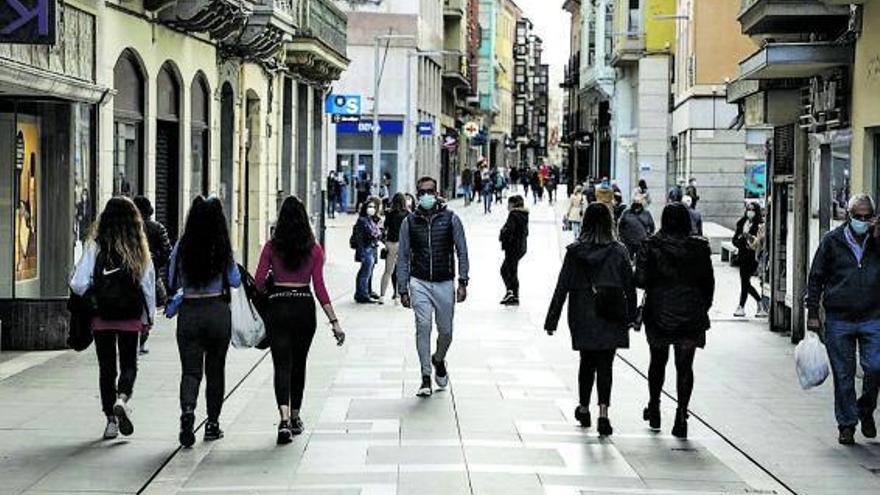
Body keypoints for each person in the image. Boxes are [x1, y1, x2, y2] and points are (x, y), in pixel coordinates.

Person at [255, 196, 345, 444]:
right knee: (299, 364)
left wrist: (272, 285)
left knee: (281, 364)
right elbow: (320, 288)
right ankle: (296, 417)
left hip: (278, 307)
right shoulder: (314, 249)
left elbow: (259, 283)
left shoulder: (271, 247)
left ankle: (283, 420)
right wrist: (334, 322)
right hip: (304, 307)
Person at [545, 203, 636, 436]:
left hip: (583, 310)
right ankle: (603, 413)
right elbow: (630, 286)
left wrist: (552, 319)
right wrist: (633, 316)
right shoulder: (619, 251)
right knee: (606, 364)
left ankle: (584, 408)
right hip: (612, 311)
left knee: (586, 361)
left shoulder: (575, 252)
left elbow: (562, 285)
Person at [70, 197, 157, 440]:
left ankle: (110, 420)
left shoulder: (96, 245)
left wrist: (93, 297)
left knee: (106, 368)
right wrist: (149, 316)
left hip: (102, 316)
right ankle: (122, 398)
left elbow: (78, 283)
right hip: (130, 316)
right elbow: (147, 286)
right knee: (129, 364)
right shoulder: (138, 248)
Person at [806, 194, 880, 445]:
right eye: (857, 216)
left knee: (875, 367)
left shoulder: (877, 241)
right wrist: (813, 312)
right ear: (847, 215)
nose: (862, 221)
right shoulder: (832, 241)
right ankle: (847, 424)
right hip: (839, 317)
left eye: (867, 217)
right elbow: (816, 277)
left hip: (873, 316)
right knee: (844, 374)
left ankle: (866, 408)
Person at [636, 203, 714, 439]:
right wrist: (703, 307)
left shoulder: (650, 245)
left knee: (657, 361)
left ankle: (655, 406)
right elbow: (708, 282)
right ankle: (681, 414)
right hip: (691, 313)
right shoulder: (699, 247)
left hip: (659, 312)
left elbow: (639, 279)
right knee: (685, 366)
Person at [168, 196, 241, 448]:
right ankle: (212, 424)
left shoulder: (182, 245)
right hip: (217, 311)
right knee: (215, 370)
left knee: (190, 371)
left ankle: (188, 412)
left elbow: (171, 279)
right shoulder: (221, 246)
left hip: (189, 312)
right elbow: (235, 280)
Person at [398, 176, 470, 397]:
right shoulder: (409, 222)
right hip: (419, 281)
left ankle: (438, 359)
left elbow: (462, 251)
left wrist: (463, 281)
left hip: (444, 281)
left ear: (436, 193)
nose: (426, 196)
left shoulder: (451, 219)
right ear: (417, 195)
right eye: (422, 192)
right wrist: (403, 288)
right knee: (423, 326)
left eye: (430, 191)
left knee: (446, 332)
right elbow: (403, 257)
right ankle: (425, 377)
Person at [133, 196, 172, 355]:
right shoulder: (157, 227)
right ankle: (142, 339)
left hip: (132, 276)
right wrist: (155, 265)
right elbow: (166, 252)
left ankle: (135, 338)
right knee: (150, 306)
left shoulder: (129, 228)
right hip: (151, 275)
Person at [732, 203, 767, 317]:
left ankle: (745, 305)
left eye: (752, 210)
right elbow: (735, 240)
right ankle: (754, 304)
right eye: (748, 209)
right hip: (742, 256)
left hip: (753, 257)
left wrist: (749, 240)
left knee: (745, 282)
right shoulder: (742, 223)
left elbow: (760, 242)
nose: (750, 212)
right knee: (745, 282)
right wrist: (742, 241)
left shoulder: (759, 225)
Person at [499, 195, 529, 305]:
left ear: (513, 204)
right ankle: (511, 293)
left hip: (512, 247)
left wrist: (502, 233)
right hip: (521, 247)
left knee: (508, 271)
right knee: (510, 270)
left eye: (509, 204)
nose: (507, 206)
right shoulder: (524, 215)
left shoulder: (513, 214)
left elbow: (509, 230)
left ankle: (512, 294)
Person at [381, 193, 408, 301]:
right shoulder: (407, 214)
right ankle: (398, 294)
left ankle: (382, 296)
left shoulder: (389, 213)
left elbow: (385, 227)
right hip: (402, 244)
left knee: (388, 271)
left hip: (391, 243)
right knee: (400, 270)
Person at [353, 199, 381, 303]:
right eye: (369, 207)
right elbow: (360, 238)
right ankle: (362, 294)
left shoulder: (372, 220)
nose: (371, 209)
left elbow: (377, 234)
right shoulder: (362, 220)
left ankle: (366, 291)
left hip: (372, 247)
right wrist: (361, 252)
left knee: (368, 272)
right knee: (365, 272)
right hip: (366, 248)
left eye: (373, 207)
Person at [618, 195, 655, 260]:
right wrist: (622, 239)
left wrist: (648, 237)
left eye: (638, 201)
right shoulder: (626, 213)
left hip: (641, 243)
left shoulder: (646, 213)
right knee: (628, 261)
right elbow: (620, 227)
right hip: (628, 243)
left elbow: (652, 227)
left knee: (641, 262)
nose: (637, 203)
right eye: (635, 201)